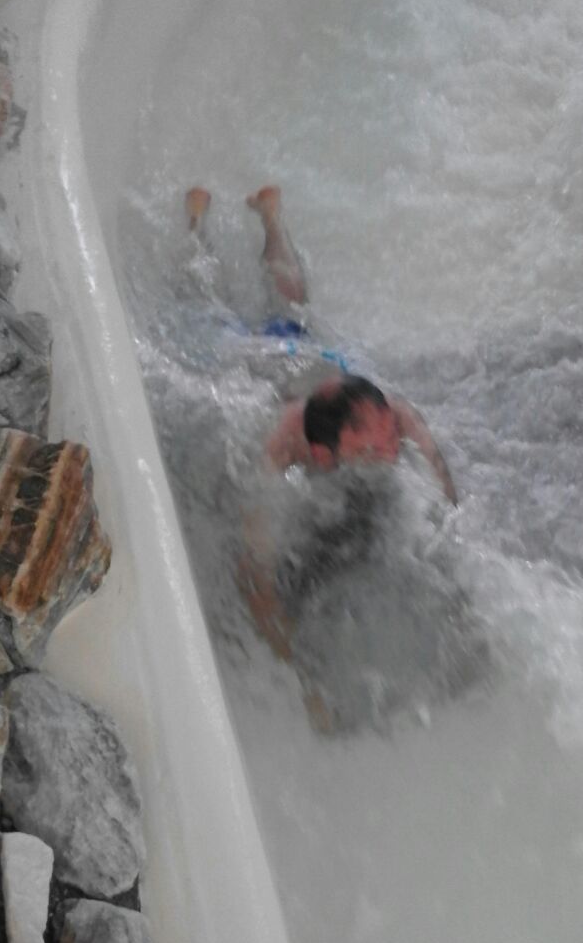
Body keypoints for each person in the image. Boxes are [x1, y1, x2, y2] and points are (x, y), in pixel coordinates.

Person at [186, 183, 459, 665]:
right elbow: (255, 567)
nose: (391, 453)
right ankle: (196, 224)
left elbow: (442, 483)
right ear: (320, 453)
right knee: (210, 308)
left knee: (293, 306)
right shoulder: (280, 444)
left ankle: (271, 215)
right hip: (250, 360)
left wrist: (451, 544)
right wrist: (287, 666)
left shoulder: (391, 413)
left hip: (307, 355)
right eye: (371, 450)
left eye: (389, 440)